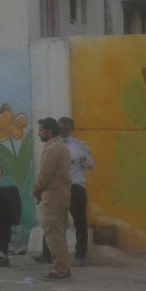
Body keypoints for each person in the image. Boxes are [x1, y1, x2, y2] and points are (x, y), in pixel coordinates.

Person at [33, 117, 74, 280]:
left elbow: (44, 175)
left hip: (53, 196)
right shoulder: (60, 146)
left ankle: (60, 269)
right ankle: (63, 267)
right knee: (58, 233)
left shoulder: (52, 149)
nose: (39, 133)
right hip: (61, 195)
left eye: (41, 130)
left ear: (49, 131)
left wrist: (36, 190)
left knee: (53, 234)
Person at [54, 116, 93, 264]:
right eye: (60, 128)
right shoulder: (54, 145)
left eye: (65, 128)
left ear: (71, 129)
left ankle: (80, 254)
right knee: (53, 220)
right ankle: (48, 253)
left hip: (76, 185)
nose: (62, 131)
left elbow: (91, 165)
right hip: (58, 187)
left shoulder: (79, 145)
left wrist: (83, 158)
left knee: (80, 222)